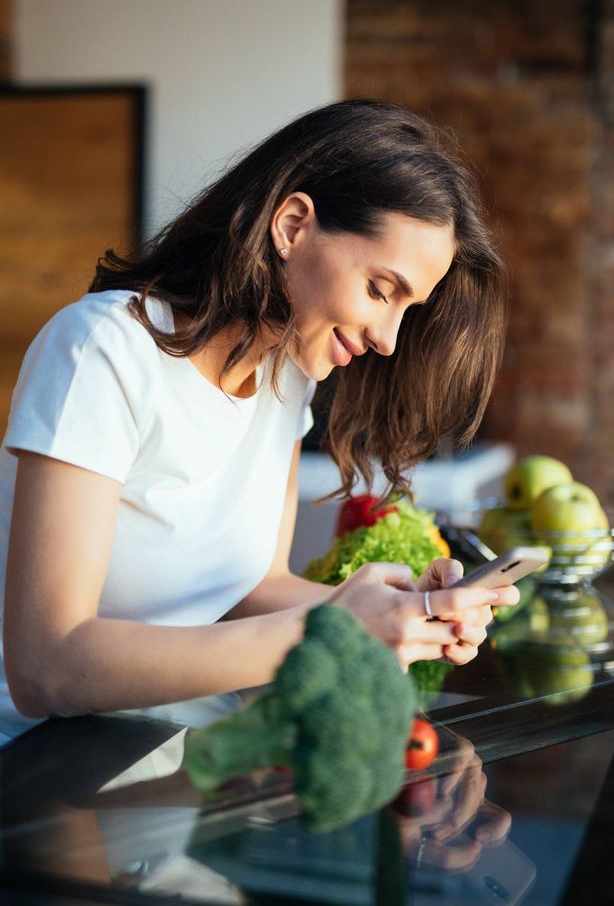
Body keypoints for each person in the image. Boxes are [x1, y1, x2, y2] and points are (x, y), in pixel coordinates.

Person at [0, 99, 518, 744]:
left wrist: (403, 613)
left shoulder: (286, 379)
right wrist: (333, 628)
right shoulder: (101, 350)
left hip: (183, 761)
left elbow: (250, 591)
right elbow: (45, 666)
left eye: (407, 308)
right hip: (42, 777)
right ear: (293, 225)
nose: (389, 338)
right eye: (382, 290)